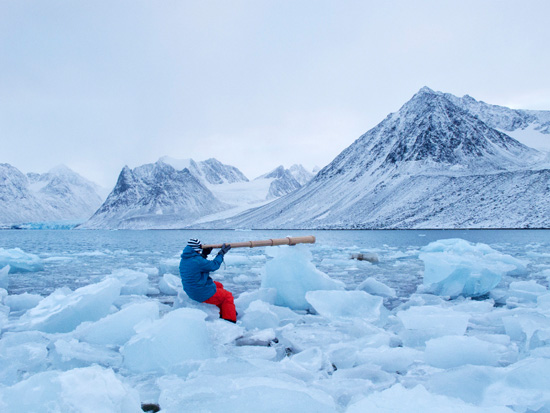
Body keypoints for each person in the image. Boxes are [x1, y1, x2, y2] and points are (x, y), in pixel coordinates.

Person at [179, 238, 237, 323]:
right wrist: (221, 253)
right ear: (197, 250)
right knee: (227, 296)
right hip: (200, 293)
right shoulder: (197, 260)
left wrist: (204, 254)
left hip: (192, 290)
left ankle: (226, 310)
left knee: (219, 285)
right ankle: (229, 321)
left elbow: (198, 264)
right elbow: (213, 265)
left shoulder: (185, 259)